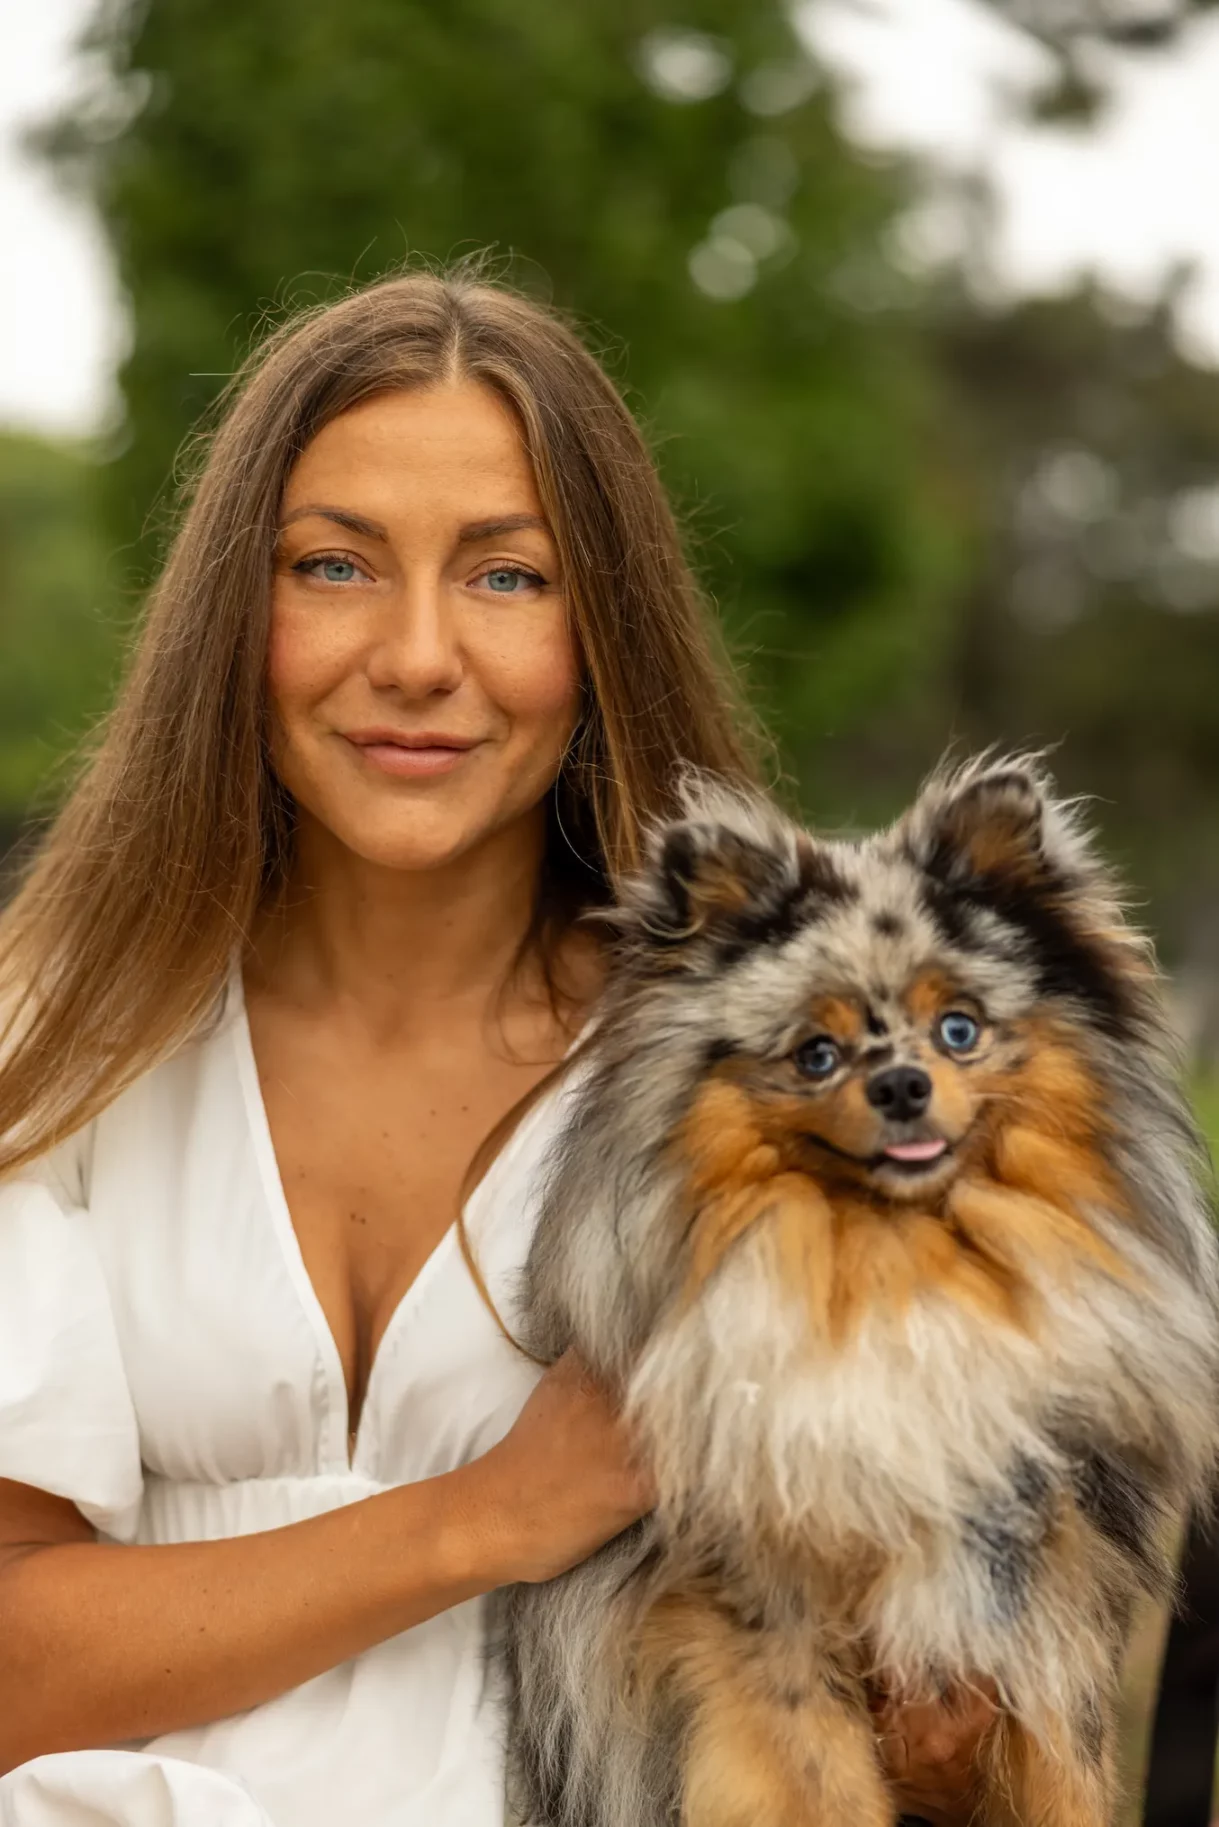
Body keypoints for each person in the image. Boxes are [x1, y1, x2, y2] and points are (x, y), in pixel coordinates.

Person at [0, 269, 992, 1826]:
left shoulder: (759, 1077)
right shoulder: (54, 1043)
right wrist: (486, 1517)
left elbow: (924, 1651)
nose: (412, 656)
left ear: (601, 627)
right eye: (331, 565)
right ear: (230, 617)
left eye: (506, 577)